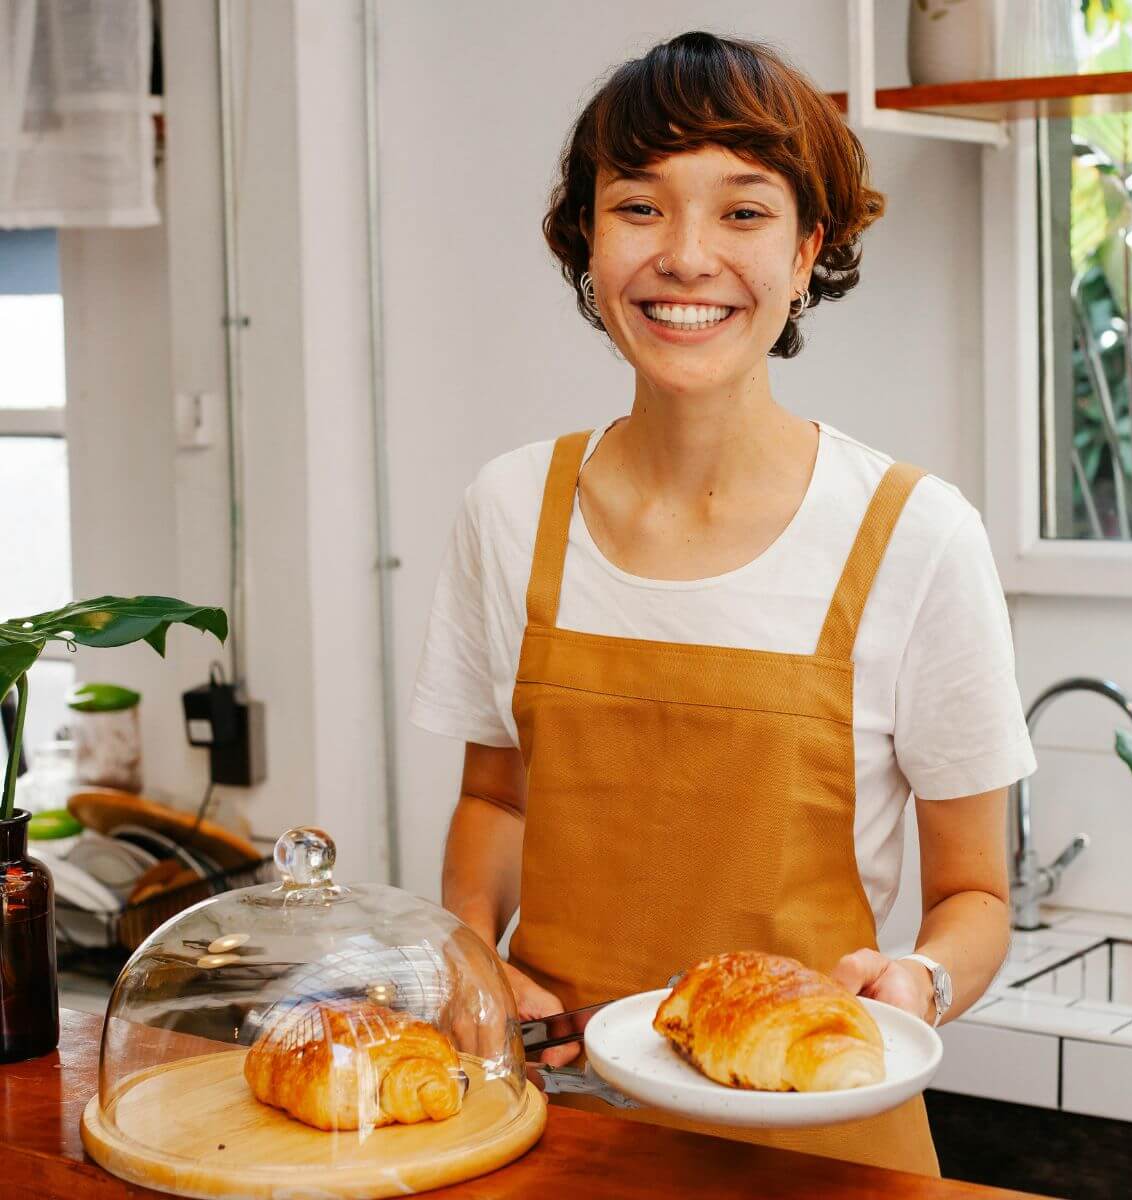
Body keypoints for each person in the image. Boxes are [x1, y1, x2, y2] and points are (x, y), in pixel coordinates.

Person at [410, 30, 1035, 1177]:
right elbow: (494, 802)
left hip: (824, 1145)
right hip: (560, 1127)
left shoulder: (914, 534)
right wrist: (469, 956)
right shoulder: (510, 510)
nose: (686, 256)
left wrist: (919, 982)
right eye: (639, 207)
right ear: (585, 244)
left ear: (810, 250)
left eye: (742, 213)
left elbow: (975, 892)